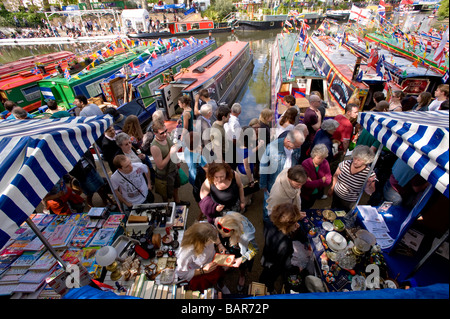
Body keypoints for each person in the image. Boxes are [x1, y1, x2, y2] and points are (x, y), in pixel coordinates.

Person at [259, 203, 308, 294]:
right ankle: (269, 288)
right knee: (270, 277)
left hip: (266, 255)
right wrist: (296, 269)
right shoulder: (285, 243)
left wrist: (291, 227)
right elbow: (286, 262)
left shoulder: (269, 222)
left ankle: (265, 282)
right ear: (287, 226)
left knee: (265, 272)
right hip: (275, 264)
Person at [260, 129, 304, 221]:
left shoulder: (297, 147)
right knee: (268, 205)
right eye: (296, 146)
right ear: (288, 141)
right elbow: (263, 166)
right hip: (273, 184)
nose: (297, 148)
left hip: (289, 182)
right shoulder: (272, 147)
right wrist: (263, 184)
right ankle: (267, 220)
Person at [214, 212, 259, 292]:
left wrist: (241, 259)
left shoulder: (246, 237)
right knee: (228, 257)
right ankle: (230, 264)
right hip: (230, 247)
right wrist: (220, 244)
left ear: (234, 232)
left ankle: (242, 275)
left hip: (241, 252)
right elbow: (217, 232)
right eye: (221, 234)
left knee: (242, 266)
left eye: (224, 234)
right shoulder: (222, 221)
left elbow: (254, 250)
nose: (222, 236)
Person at [176, 222, 225, 292]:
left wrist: (220, 245)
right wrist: (203, 271)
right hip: (200, 272)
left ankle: (220, 284)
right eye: (210, 241)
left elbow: (215, 237)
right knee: (206, 286)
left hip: (212, 262)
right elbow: (182, 273)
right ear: (200, 243)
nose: (213, 243)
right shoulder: (186, 253)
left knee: (219, 275)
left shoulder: (207, 227)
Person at [150, 121, 189, 206]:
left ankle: (177, 201)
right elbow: (160, 166)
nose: (165, 134)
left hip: (174, 169)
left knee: (175, 186)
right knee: (165, 193)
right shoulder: (154, 147)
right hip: (165, 174)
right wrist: (171, 153)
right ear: (155, 133)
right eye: (161, 133)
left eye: (165, 131)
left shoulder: (166, 137)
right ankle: (167, 206)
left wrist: (177, 161)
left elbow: (173, 149)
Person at [328, 145, 377, 212]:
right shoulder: (345, 164)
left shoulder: (369, 173)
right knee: (333, 211)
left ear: (366, 161)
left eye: (359, 160)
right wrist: (332, 188)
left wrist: (369, 183)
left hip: (349, 202)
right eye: (355, 158)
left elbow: (370, 192)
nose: (355, 161)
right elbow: (335, 176)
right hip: (336, 195)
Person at [301, 144, 332, 210]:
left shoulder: (325, 162)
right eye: (319, 158)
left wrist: (313, 182)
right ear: (313, 155)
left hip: (316, 193)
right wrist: (322, 180)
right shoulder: (305, 164)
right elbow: (306, 184)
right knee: (302, 208)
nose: (321, 160)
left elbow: (329, 180)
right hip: (305, 194)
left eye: (323, 158)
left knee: (310, 206)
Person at [331, 103, 359, 168]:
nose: (357, 114)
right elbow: (345, 141)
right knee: (335, 166)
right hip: (339, 149)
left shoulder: (338, 116)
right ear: (348, 112)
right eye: (355, 112)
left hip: (331, 144)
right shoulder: (348, 125)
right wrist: (344, 151)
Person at [184, 131, 208, 204]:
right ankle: (203, 207)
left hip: (192, 175)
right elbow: (207, 168)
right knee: (202, 194)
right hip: (200, 178)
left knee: (196, 192)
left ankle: (200, 207)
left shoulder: (186, 150)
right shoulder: (199, 158)